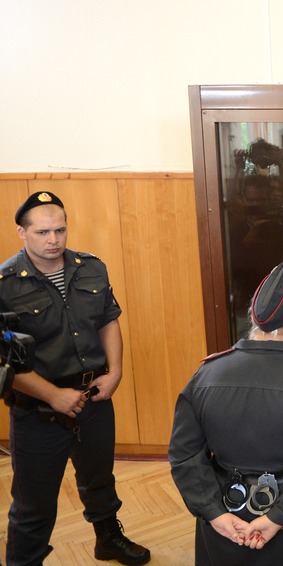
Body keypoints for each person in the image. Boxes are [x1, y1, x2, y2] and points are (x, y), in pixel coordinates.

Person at [0, 192, 151, 566]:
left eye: (60, 230)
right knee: (34, 504)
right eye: (42, 232)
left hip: (94, 398)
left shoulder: (91, 268)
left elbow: (108, 320)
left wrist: (114, 372)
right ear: (22, 232)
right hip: (37, 411)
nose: (53, 239)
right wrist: (53, 395)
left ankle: (108, 540)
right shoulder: (5, 284)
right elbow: (3, 361)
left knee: (100, 480)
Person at [168, 261, 283, 565]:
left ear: (252, 317)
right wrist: (278, 517)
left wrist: (214, 512)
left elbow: (184, 455)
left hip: (226, 513)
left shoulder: (207, 374)